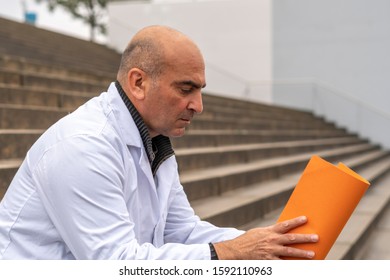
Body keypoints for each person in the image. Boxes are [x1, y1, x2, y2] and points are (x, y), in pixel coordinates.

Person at [0, 25, 318, 260]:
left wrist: (269, 242)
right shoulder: (83, 146)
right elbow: (117, 263)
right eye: (186, 89)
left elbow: (182, 232)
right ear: (138, 83)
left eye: (200, 90)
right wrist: (233, 252)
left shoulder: (154, 141)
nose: (198, 105)